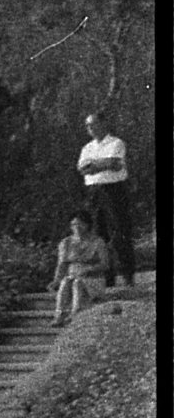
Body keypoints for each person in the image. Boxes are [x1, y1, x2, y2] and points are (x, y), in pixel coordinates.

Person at [77, 109, 137, 289]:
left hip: (114, 190)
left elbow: (115, 164)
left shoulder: (116, 143)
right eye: (88, 125)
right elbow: (83, 169)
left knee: (120, 231)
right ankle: (108, 277)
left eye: (93, 124)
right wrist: (102, 164)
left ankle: (127, 275)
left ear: (103, 124)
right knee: (99, 234)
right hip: (94, 191)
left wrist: (95, 165)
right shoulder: (87, 147)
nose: (91, 128)